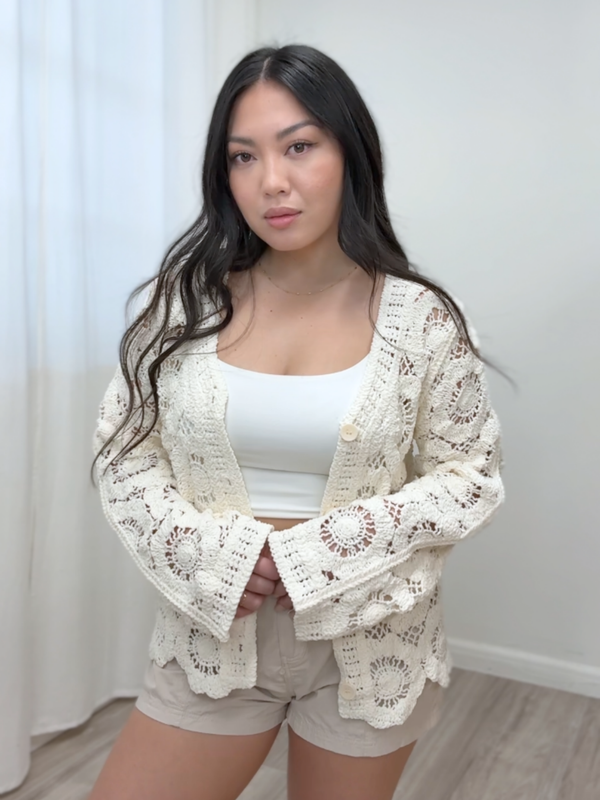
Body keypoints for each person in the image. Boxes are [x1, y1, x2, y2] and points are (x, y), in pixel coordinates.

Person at [89, 43, 504, 800]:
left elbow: (469, 477)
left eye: (299, 147)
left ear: (350, 153)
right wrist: (211, 556)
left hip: (373, 642)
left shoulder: (422, 319)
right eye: (243, 157)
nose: (271, 182)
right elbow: (124, 457)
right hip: (214, 636)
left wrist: (323, 554)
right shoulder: (181, 305)